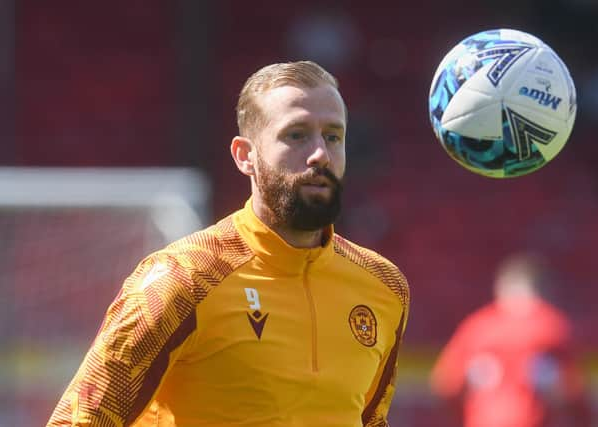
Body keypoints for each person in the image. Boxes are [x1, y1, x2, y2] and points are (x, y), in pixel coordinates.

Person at [47, 61, 410, 427]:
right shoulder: (186, 278)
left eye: (333, 136)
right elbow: (80, 421)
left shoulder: (384, 287)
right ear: (244, 155)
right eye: (296, 135)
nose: (320, 154)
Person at [430, 252, 591, 427]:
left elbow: (446, 385)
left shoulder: (477, 326)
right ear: (539, 289)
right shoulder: (551, 326)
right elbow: (575, 393)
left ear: (501, 288)